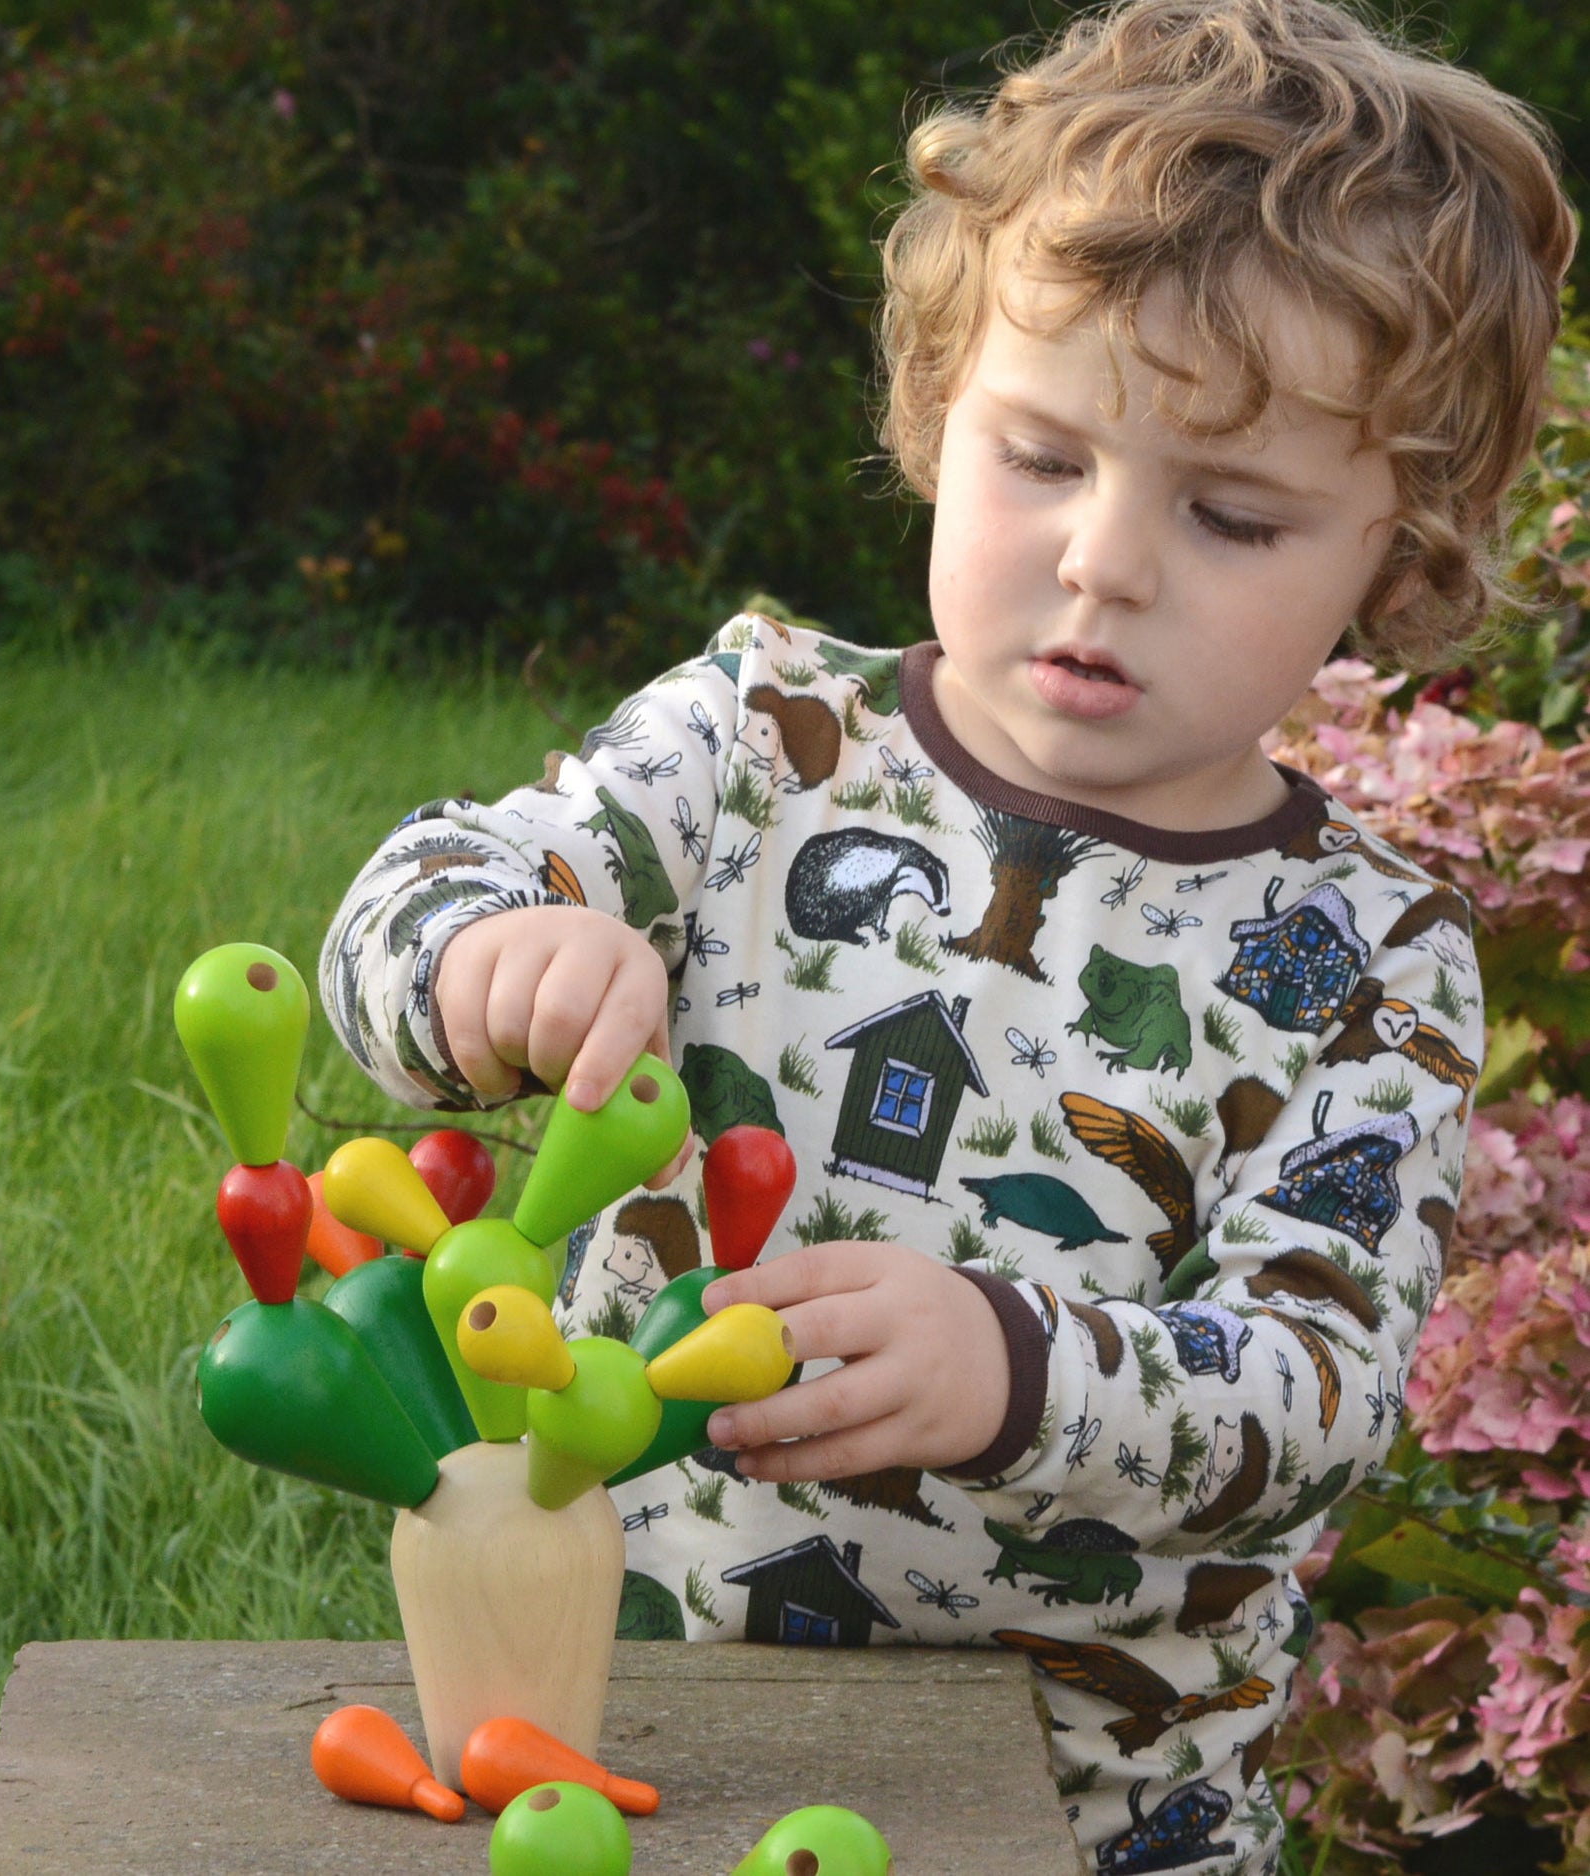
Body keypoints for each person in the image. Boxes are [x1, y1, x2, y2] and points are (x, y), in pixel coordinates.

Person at [320, 1, 1574, 1865]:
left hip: (1097, 1807)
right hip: (628, 1734)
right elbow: (412, 899)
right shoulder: (754, 750)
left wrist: (1015, 1365)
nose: (1106, 561)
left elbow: (1313, 1390)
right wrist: (481, 957)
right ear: (933, 406)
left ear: (1391, 561)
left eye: (1232, 516)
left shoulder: (1364, 951)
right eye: (1043, 458)